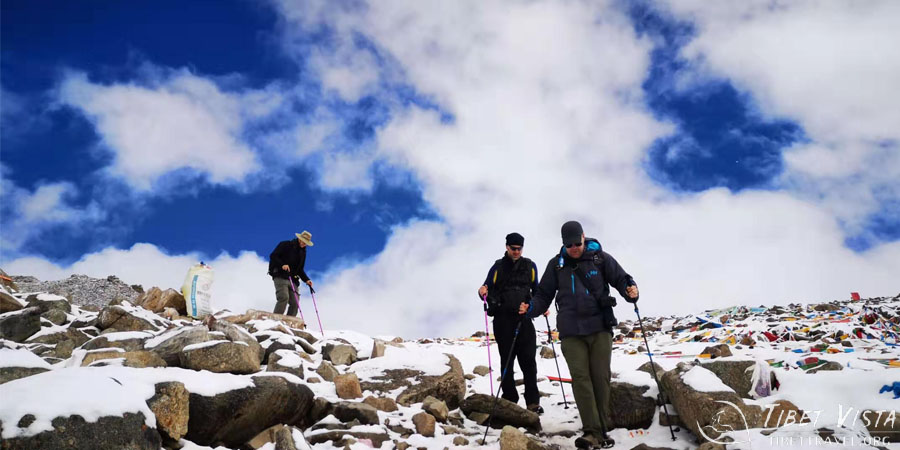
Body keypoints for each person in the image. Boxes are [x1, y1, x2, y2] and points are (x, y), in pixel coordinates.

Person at [519, 221, 638, 449]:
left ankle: (602, 428)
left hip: (600, 328)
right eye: (569, 244)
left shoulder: (600, 259)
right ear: (563, 243)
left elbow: (622, 279)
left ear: (584, 237)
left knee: (600, 378)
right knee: (581, 379)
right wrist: (531, 309)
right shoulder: (556, 265)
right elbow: (543, 294)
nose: (574, 247)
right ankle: (592, 431)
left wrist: (631, 290)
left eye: (577, 243)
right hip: (571, 331)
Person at [477, 232, 546, 414]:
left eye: (519, 248)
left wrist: (541, 306)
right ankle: (509, 399)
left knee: (529, 361)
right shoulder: (498, 267)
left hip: (524, 319)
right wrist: (481, 291)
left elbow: (537, 290)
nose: (516, 251)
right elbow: (485, 288)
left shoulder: (530, 266)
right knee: (506, 361)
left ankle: (533, 402)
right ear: (507, 247)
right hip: (503, 320)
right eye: (513, 248)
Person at [268, 231, 315, 316]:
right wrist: (282, 264)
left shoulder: (303, 253)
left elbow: (300, 269)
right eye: (304, 242)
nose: (305, 244)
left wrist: (307, 280)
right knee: (283, 297)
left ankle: (289, 323)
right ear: (299, 239)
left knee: (295, 302)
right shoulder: (285, 244)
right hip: (280, 275)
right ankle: (275, 320)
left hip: (293, 280)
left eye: (306, 243)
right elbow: (273, 256)